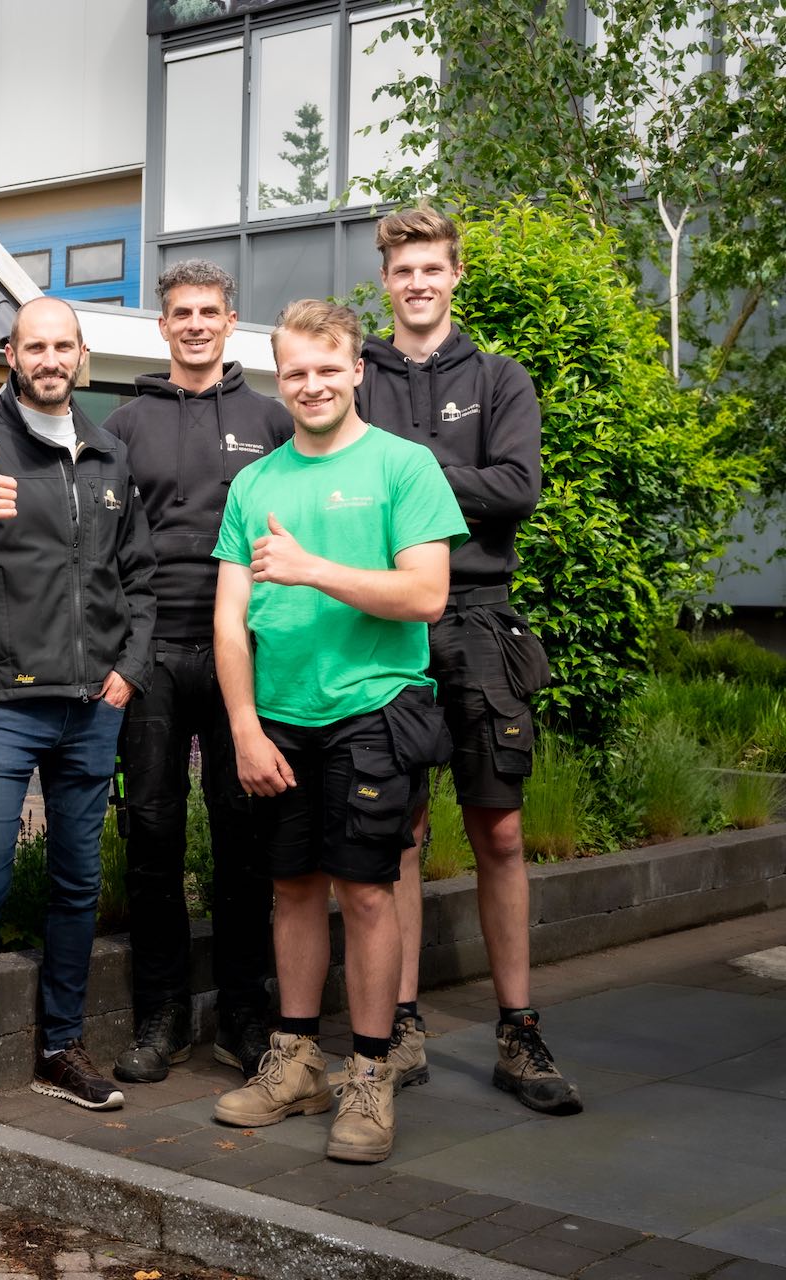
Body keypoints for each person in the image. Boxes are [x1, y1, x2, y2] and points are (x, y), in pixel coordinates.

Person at [209, 300, 465, 1164]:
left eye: (328, 368)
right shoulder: (254, 484)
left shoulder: (405, 466)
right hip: (280, 720)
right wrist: (244, 728)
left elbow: (426, 594)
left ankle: (369, 1071)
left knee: (366, 890)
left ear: (358, 370)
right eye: (295, 372)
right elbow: (229, 619)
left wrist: (314, 568)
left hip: (373, 710)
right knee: (290, 889)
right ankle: (294, 1062)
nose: (311, 385)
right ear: (279, 379)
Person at [0, 297, 157, 1141]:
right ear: (11, 354)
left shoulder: (110, 453)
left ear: (80, 354)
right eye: (34, 345)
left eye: (63, 345)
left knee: (77, 884)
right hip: (7, 703)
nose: (50, 358)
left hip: (95, 708)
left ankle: (60, 1049)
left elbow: (142, 580)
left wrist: (129, 669)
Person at [356, 206, 580, 1116]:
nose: (417, 283)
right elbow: (342, 484)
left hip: (480, 624)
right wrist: (452, 479)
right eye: (403, 270)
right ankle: (400, 1024)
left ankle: (518, 1031)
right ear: (387, 281)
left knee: (501, 832)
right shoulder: (356, 374)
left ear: (455, 277)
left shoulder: (500, 379)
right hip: (386, 625)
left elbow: (516, 490)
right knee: (397, 833)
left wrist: (405, 470)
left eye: (432, 269)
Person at [104, 261, 292, 1084]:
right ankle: (161, 1015)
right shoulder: (123, 424)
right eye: (179, 312)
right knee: (151, 835)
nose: (193, 324)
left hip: (241, 653)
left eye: (208, 312)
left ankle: (244, 1014)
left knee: (242, 835)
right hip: (150, 655)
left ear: (229, 320)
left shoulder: (270, 419)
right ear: (163, 325)